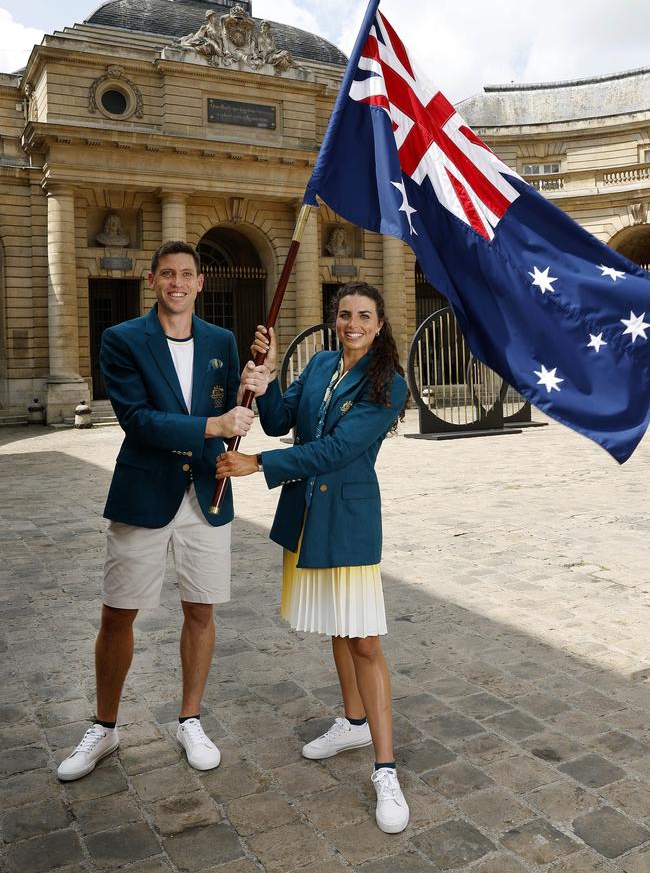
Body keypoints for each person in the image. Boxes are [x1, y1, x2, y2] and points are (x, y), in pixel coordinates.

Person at [57, 240, 269, 781]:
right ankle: (104, 727)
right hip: (144, 491)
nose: (178, 283)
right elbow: (138, 419)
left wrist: (254, 390)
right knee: (117, 613)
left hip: (208, 493)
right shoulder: (122, 339)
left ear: (201, 283)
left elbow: (235, 411)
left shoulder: (222, 340)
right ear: (152, 281)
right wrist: (215, 427)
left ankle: (190, 719)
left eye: (187, 274)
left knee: (200, 610)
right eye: (167, 274)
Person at [217, 281, 410, 834]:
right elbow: (279, 418)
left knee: (365, 640)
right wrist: (267, 375)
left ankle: (386, 769)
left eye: (364, 316)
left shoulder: (388, 383)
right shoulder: (323, 361)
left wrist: (258, 465)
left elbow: (338, 449)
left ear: (379, 325)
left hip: (347, 520)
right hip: (309, 515)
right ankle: (353, 721)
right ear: (336, 318)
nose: (353, 323)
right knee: (340, 629)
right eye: (345, 313)